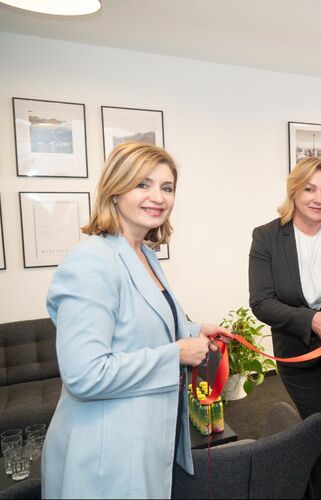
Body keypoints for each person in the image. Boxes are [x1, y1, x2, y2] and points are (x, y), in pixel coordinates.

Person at [43, 142, 227, 499]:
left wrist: (193, 330)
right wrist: (176, 354)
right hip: (105, 452)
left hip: (142, 439)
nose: (158, 197)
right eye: (143, 184)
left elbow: (139, 324)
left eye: (167, 187)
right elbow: (85, 374)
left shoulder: (143, 254)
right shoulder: (92, 260)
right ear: (115, 190)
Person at [248, 157, 321, 500]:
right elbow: (261, 301)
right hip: (298, 350)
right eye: (310, 189)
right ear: (294, 191)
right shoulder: (267, 236)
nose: (319, 198)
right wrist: (309, 319)